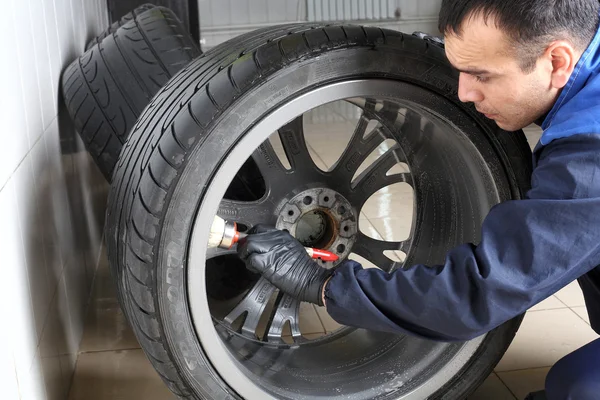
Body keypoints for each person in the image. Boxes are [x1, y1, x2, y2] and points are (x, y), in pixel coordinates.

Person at [236, 0, 600, 399]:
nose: (463, 93)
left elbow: (481, 291)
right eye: (459, 68)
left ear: (558, 61)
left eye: (481, 74)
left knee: (576, 389)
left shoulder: (590, 156)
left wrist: (321, 284)